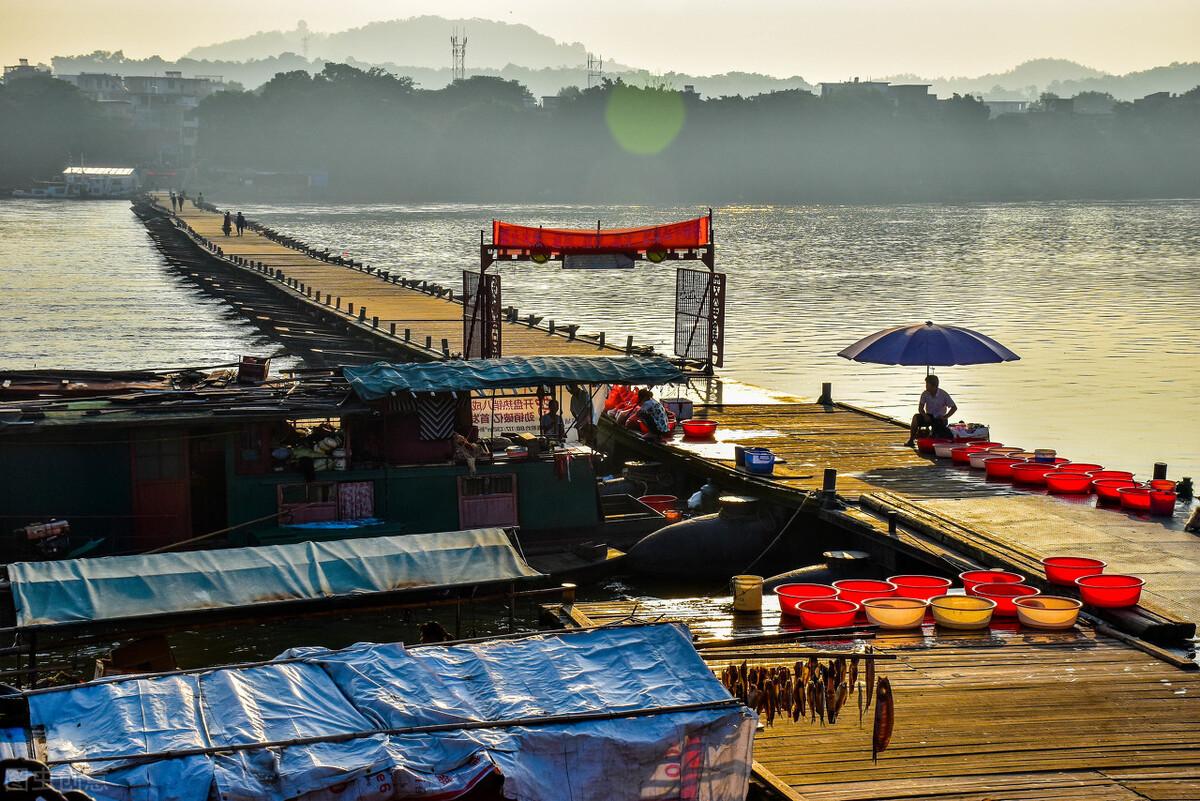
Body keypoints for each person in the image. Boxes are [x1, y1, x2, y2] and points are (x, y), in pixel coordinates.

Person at [906, 374, 957, 446]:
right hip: (929, 416)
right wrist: (924, 415)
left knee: (938, 431)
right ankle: (911, 439)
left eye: (927, 384)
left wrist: (945, 416)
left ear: (934, 386)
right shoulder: (925, 394)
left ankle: (934, 438)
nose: (926, 386)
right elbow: (920, 408)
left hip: (940, 417)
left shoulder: (943, 394)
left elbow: (954, 407)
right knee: (915, 418)